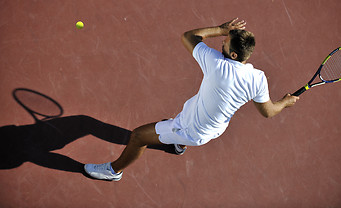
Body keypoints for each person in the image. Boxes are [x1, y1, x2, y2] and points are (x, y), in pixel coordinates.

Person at [84, 18, 299, 181]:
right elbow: (268, 111)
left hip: (191, 128)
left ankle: (114, 171)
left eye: (225, 43)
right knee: (184, 114)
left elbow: (188, 36)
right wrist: (285, 102)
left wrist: (220, 29)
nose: (220, 44)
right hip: (215, 127)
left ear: (233, 54)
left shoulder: (216, 64)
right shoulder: (258, 78)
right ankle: (178, 145)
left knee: (139, 136)